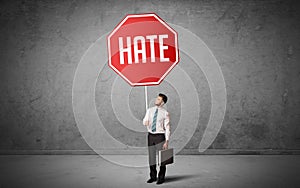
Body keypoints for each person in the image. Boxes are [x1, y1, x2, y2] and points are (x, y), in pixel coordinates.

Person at [143, 93, 170, 185]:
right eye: (156, 98)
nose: (156, 100)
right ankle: (153, 177)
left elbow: (167, 128)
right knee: (151, 158)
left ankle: (161, 178)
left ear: (162, 102)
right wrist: (145, 122)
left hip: (160, 136)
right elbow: (144, 120)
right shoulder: (149, 110)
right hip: (151, 136)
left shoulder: (165, 113)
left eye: (158, 99)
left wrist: (167, 141)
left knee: (162, 158)